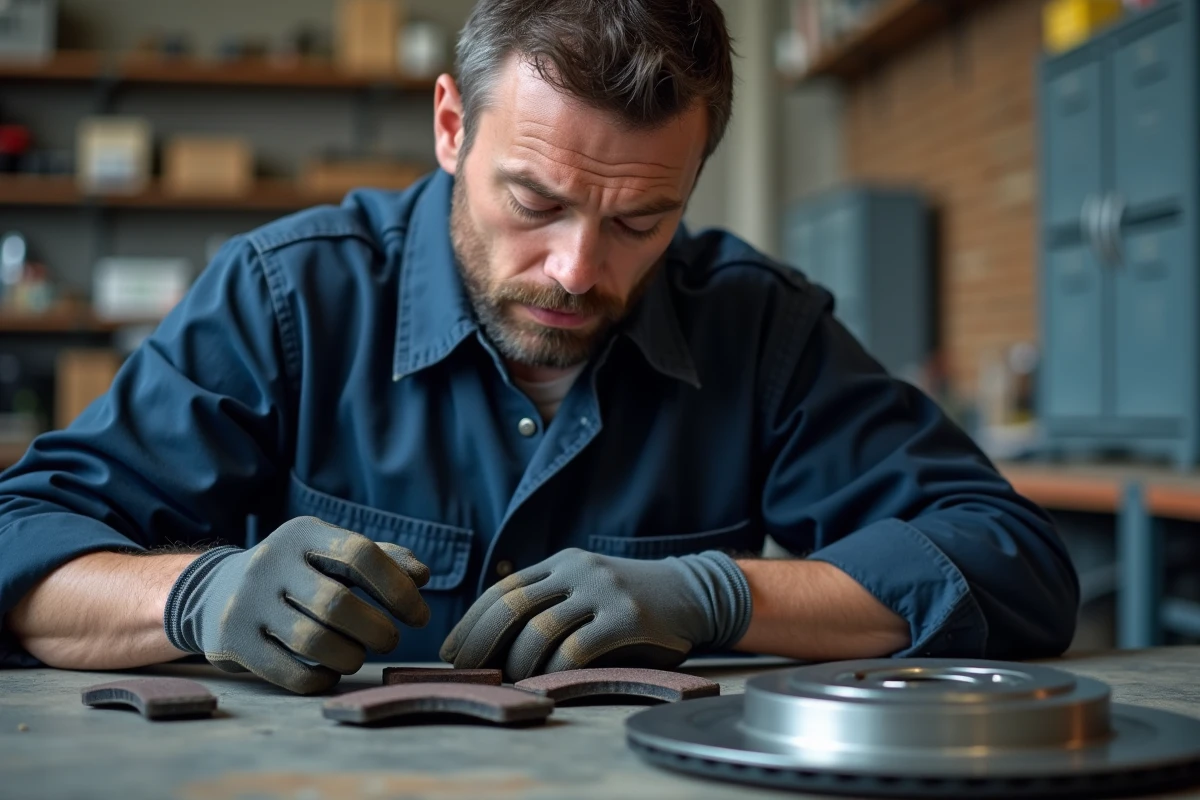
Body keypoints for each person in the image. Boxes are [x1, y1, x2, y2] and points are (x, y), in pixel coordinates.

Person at [0, 0, 1079, 695]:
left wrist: (719, 593)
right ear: (450, 126)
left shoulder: (757, 326)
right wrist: (196, 595)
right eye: (535, 198)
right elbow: (21, 544)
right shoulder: (288, 294)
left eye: (639, 220)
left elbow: (1011, 563)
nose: (575, 267)